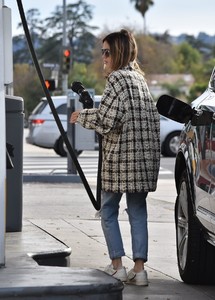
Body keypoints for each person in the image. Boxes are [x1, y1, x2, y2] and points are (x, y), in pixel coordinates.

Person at [70, 29, 160, 286]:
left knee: (108, 210)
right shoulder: (139, 80)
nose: (104, 58)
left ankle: (117, 265)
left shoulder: (117, 80)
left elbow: (108, 119)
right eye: (103, 52)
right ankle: (140, 270)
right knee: (137, 211)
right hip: (142, 161)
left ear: (118, 52)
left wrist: (82, 117)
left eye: (107, 52)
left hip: (120, 160)